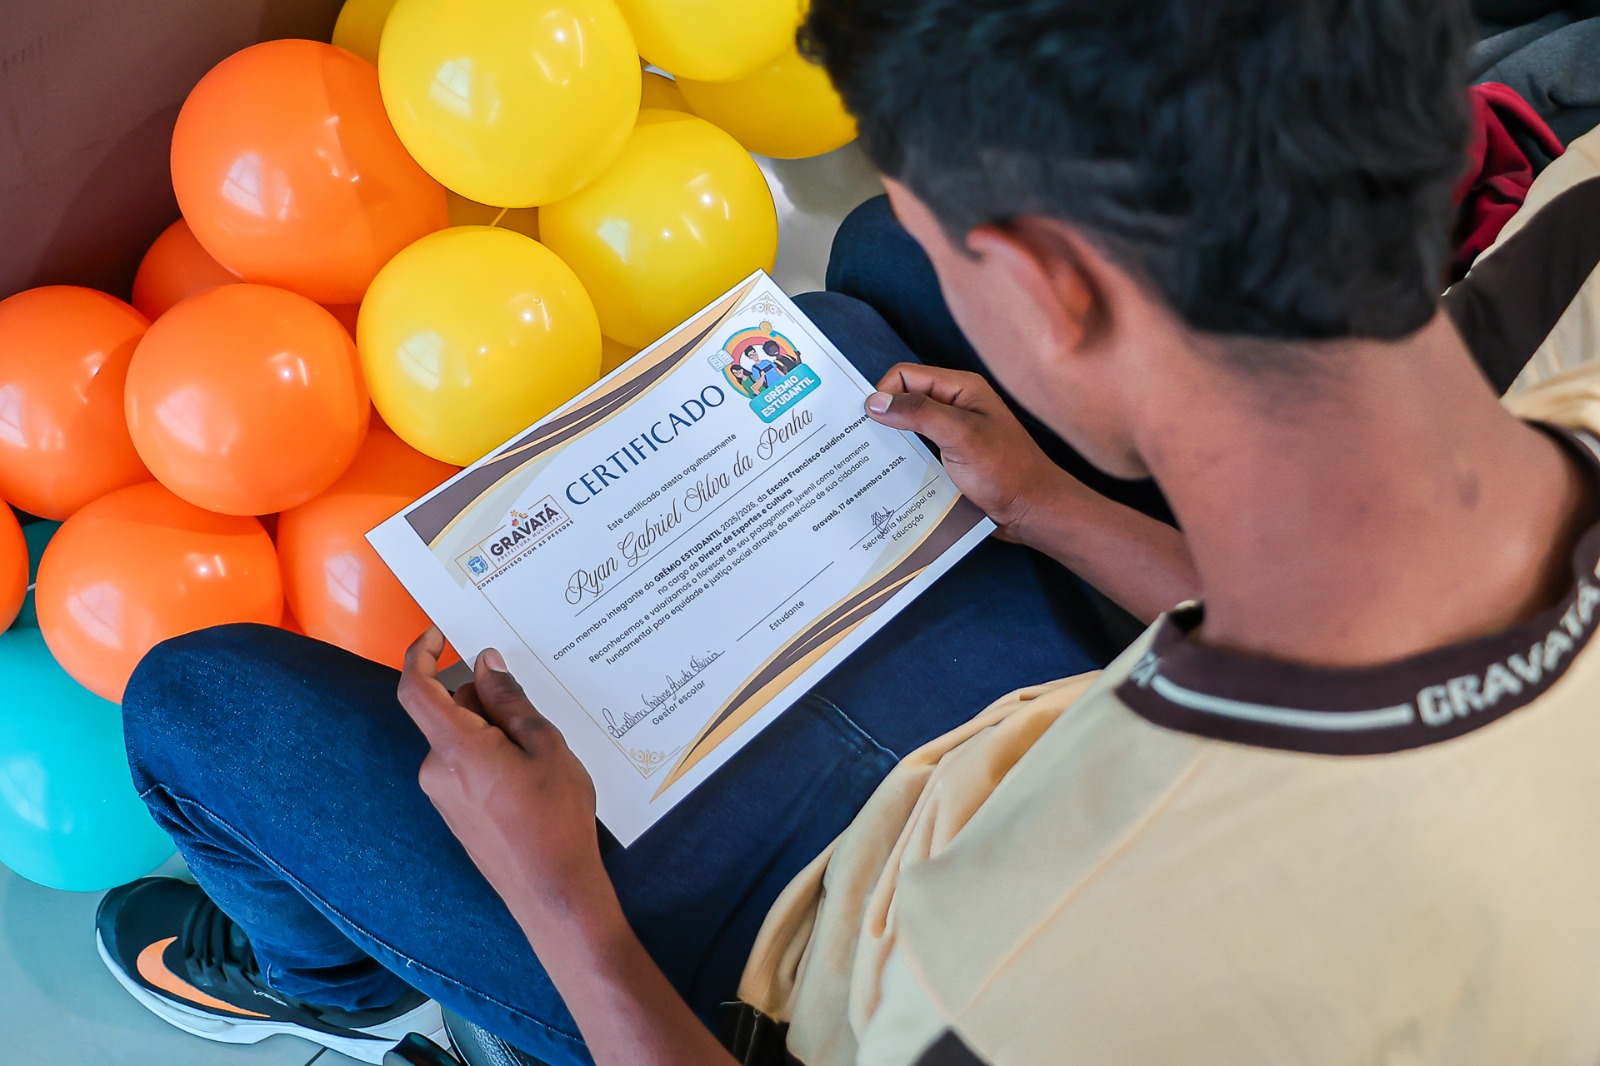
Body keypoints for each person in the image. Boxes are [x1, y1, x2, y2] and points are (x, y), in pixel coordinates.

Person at [95, 1, 1600, 1065]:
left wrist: (558, 896)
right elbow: (1343, 615)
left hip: (773, 962)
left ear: (1056, 293)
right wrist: (1054, 508)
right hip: (1067, 708)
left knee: (196, 708)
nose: (917, 220)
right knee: (864, 287)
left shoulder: (1029, 988)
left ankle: (348, 992)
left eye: (948, 219)